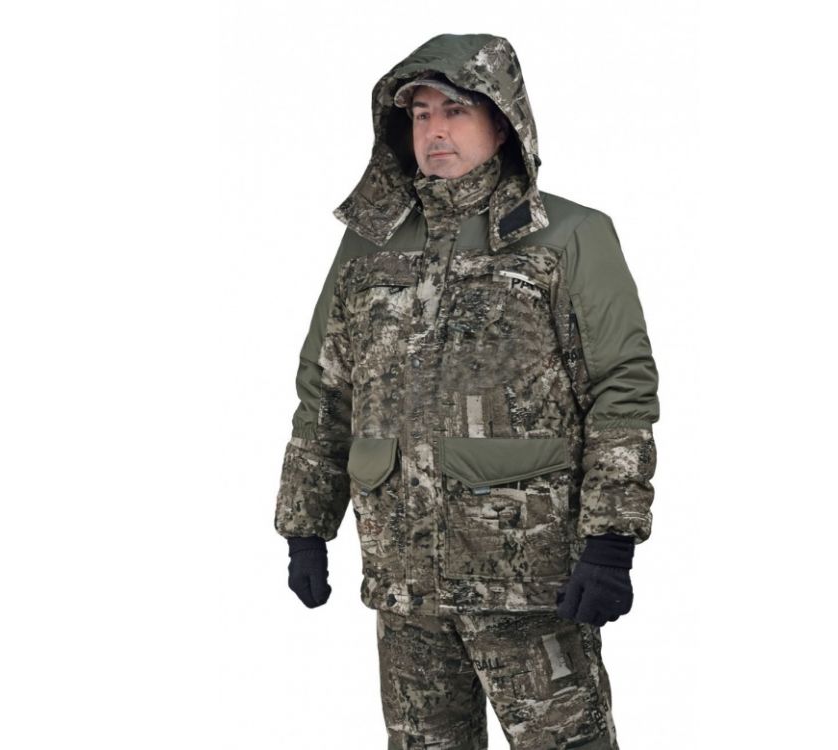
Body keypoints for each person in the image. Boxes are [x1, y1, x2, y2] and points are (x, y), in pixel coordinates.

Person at [274, 33, 659, 750]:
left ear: (502, 121)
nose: (435, 130)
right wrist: (306, 527)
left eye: (454, 110)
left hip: (529, 578)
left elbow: (621, 389)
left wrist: (611, 540)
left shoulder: (568, 235)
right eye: (420, 115)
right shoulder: (369, 247)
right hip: (404, 581)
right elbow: (325, 389)